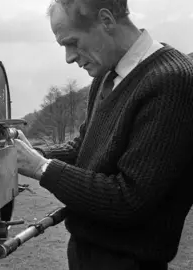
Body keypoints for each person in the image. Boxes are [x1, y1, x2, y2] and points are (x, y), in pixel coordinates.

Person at [14, 0, 193, 269]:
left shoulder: (171, 81)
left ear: (107, 20)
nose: (69, 57)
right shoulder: (109, 73)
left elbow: (129, 198)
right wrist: (33, 154)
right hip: (87, 253)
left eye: (72, 42)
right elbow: (86, 146)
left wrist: (42, 168)